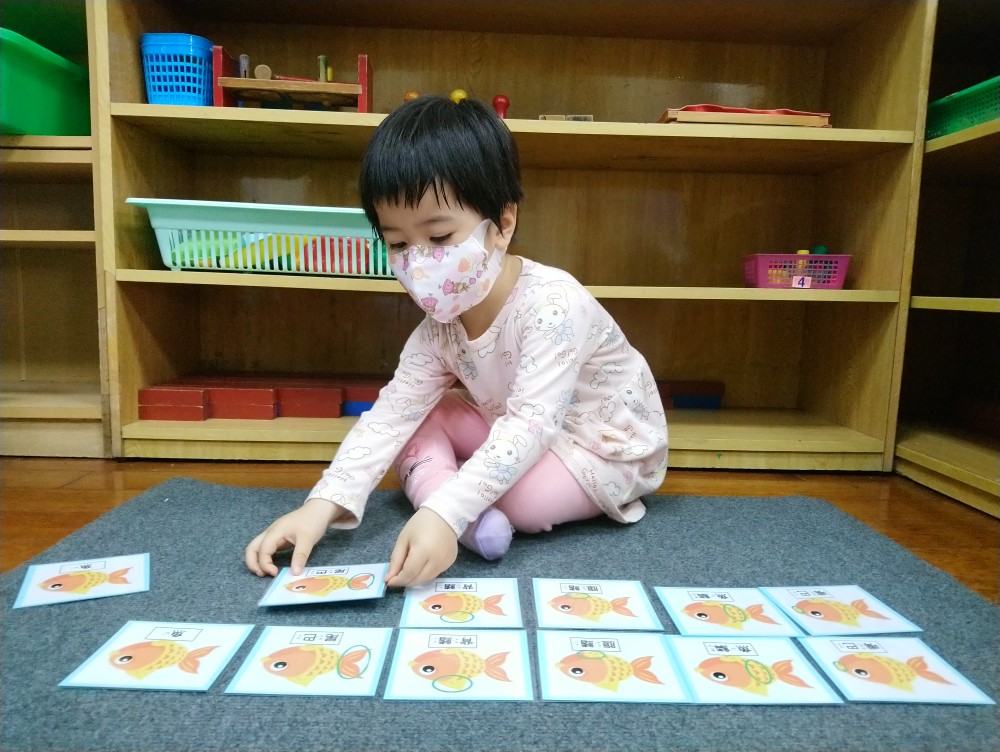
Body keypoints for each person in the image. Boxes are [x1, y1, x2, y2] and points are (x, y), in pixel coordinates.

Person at [245, 95, 668, 587]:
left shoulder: (554, 304)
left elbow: (533, 424)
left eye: (440, 237)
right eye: (398, 244)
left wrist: (445, 511)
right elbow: (391, 415)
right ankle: (461, 506)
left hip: (602, 448)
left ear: (502, 225)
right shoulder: (438, 327)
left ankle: (448, 501)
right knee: (414, 420)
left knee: (521, 501)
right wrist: (318, 506)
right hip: (514, 426)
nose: (418, 263)